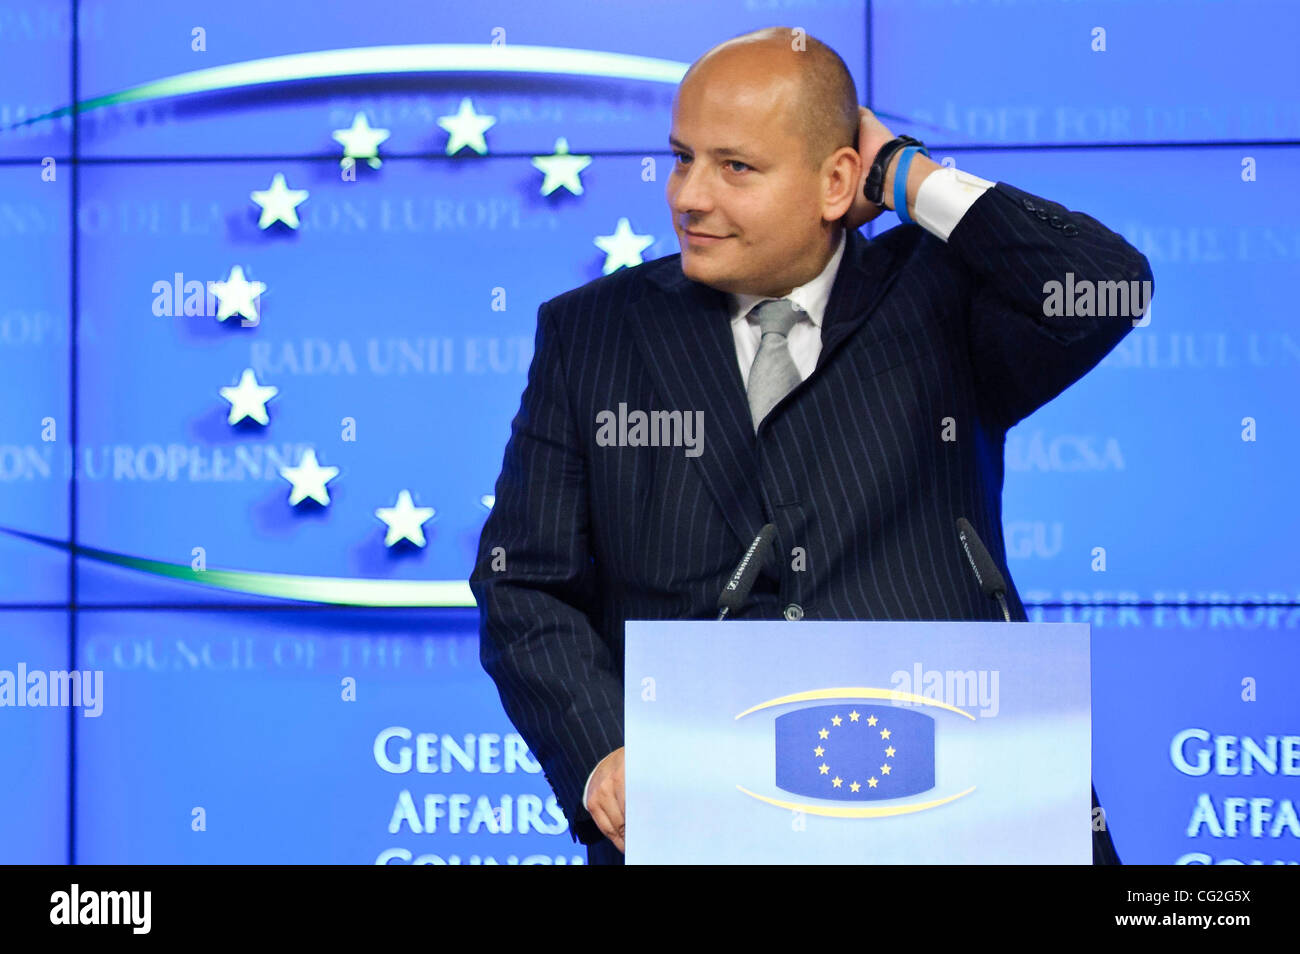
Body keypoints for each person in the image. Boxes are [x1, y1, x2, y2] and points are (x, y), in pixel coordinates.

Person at [470, 26, 1148, 865]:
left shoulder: (943, 296)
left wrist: (906, 175)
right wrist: (603, 751)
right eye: (682, 159)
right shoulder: (592, 330)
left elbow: (1107, 285)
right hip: (695, 820)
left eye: (736, 167)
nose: (689, 196)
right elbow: (524, 584)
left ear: (836, 180)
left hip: (965, 808)